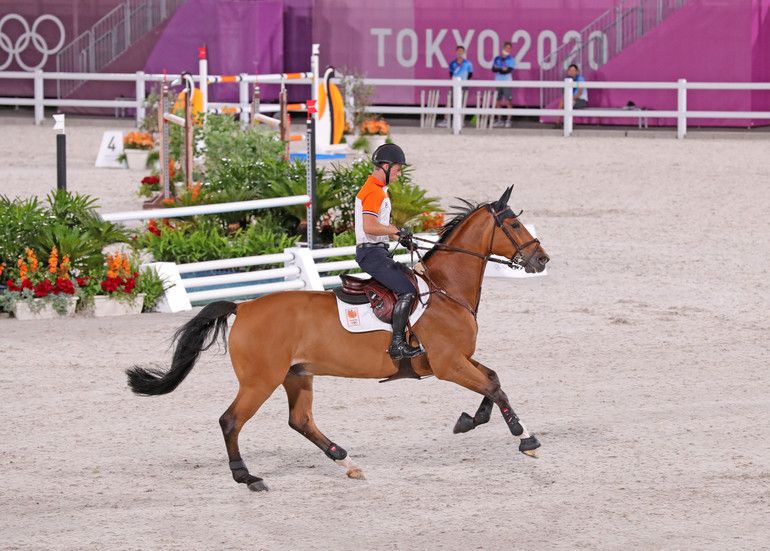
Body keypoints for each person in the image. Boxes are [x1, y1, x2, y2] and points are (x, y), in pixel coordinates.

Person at [355, 143, 425, 360]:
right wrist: (396, 229)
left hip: (379, 251)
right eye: (397, 169)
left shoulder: (378, 190)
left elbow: (379, 227)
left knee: (412, 281)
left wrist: (400, 238)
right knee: (407, 290)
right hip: (372, 254)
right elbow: (369, 226)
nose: (399, 173)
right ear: (385, 166)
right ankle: (397, 345)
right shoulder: (373, 192)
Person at [437, 45, 473, 128]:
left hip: (464, 85)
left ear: (464, 52)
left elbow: (470, 74)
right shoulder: (452, 63)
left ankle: (460, 121)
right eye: (459, 51)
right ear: (456, 52)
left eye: (462, 51)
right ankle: (446, 119)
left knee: (462, 103)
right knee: (450, 102)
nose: (460, 53)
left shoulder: (468, 63)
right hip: (454, 85)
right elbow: (450, 73)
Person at [492, 41, 516, 128]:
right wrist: (502, 69)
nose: (508, 50)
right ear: (503, 48)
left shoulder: (511, 59)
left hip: (507, 81)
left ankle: (508, 120)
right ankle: (499, 120)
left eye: (509, 48)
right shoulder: (497, 58)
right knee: (498, 101)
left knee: (508, 101)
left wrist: (499, 69)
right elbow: (493, 69)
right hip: (498, 81)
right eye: (507, 48)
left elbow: (508, 70)